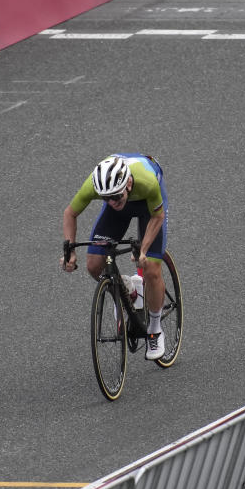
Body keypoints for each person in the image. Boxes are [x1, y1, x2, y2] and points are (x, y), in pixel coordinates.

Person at [61, 154, 169, 360]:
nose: (112, 202)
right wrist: (70, 251)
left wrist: (144, 251)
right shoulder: (98, 186)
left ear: (128, 184)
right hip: (123, 201)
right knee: (94, 265)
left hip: (149, 206)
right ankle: (129, 289)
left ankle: (155, 329)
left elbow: (158, 216)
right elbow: (70, 213)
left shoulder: (147, 182)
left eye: (116, 196)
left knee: (151, 268)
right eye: (106, 198)